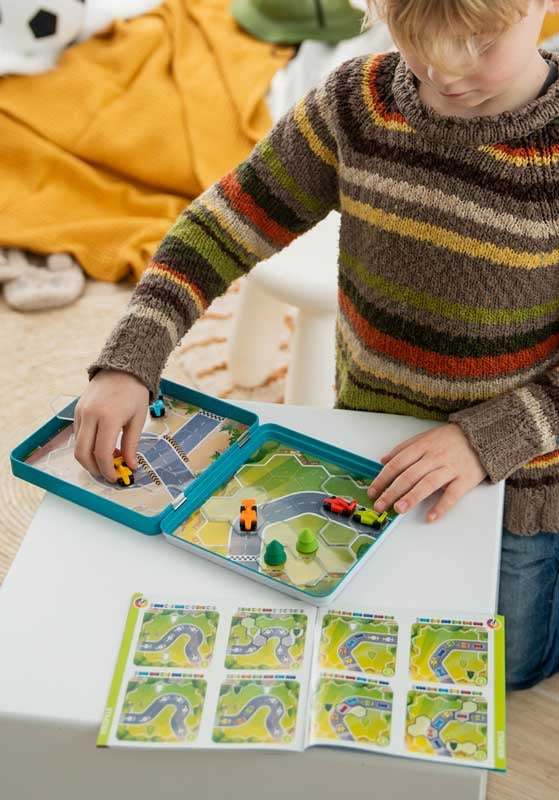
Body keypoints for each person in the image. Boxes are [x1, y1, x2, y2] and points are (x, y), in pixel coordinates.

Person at [74, 0, 559, 689]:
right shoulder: (357, 104)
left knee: (506, 667)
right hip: (368, 443)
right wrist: (131, 360)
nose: (445, 72)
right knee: (361, 614)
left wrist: (489, 438)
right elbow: (223, 224)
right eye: (417, 39)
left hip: (519, 470)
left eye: (480, 43)